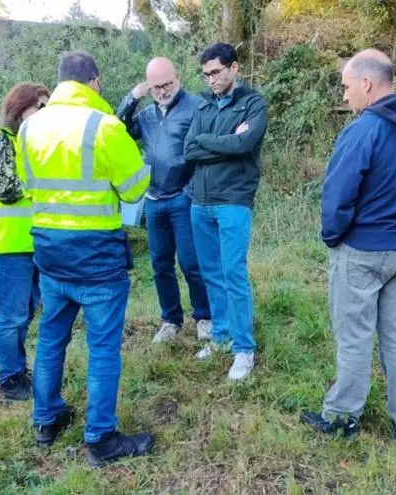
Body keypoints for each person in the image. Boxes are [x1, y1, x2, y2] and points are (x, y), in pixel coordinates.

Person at [18, 50, 155, 466]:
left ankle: (46, 420)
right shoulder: (105, 126)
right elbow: (135, 189)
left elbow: (27, 186)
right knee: (103, 348)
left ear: (60, 81)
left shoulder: (29, 127)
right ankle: (100, 438)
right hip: (97, 259)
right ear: (94, 81)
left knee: (51, 338)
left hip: (50, 253)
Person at [300, 49, 396, 444]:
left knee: (354, 337)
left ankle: (343, 417)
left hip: (360, 252)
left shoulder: (363, 131)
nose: (345, 96)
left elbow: (338, 196)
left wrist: (334, 236)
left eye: (347, 87)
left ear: (366, 82)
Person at [184, 42, 268, 381]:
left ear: (234, 68)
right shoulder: (203, 104)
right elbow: (189, 150)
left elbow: (244, 144)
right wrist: (224, 144)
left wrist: (207, 141)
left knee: (233, 273)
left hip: (233, 200)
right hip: (200, 202)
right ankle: (221, 337)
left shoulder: (253, 103)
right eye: (206, 75)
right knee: (211, 273)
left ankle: (244, 348)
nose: (211, 80)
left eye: (216, 72)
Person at [116, 57, 213, 344]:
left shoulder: (195, 107)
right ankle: (170, 320)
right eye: (156, 87)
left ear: (177, 77)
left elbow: (206, 152)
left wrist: (190, 190)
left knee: (191, 262)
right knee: (160, 263)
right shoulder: (146, 115)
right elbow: (118, 128)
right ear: (149, 87)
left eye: (167, 84)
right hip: (153, 200)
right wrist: (132, 97)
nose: (162, 91)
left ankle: (204, 317)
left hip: (183, 197)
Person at [0, 82, 50, 401]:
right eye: (40, 107)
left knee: (26, 312)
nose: (45, 113)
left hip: (33, 243)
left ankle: (17, 371)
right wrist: (48, 182)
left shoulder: (34, 142)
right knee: (11, 316)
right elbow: (5, 189)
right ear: (20, 109)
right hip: (6, 245)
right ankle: (10, 382)